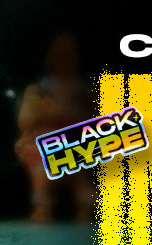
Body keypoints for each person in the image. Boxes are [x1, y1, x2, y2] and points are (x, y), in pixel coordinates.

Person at [15, 31, 95, 223]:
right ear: (50, 57)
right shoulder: (38, 91)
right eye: (60, 53)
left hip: (78, 148)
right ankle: (43, 207)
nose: (65, 58)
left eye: (70, 53)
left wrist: (70, 114)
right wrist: (56, 113)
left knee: (82, 184)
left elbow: (95, 120)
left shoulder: (83, 91)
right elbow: (26, 119)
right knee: (41, 173)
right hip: (44, 150)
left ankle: (84, 209)